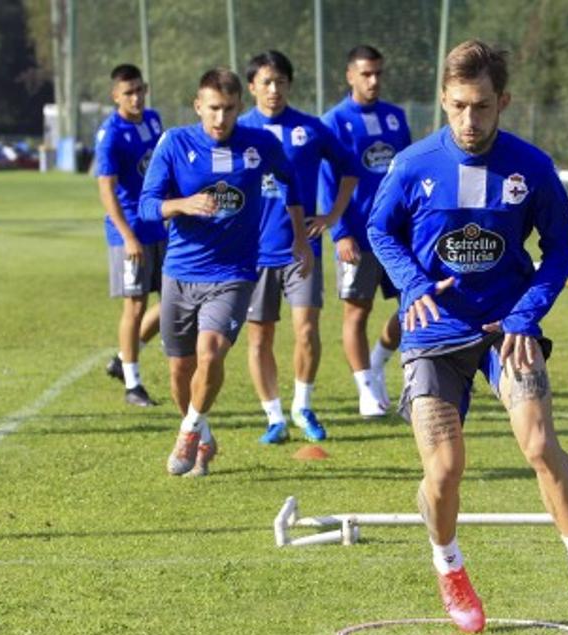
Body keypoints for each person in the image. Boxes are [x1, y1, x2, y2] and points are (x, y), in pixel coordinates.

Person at [368, 40, 568, 635]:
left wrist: (527, 314)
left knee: (537, 444)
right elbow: (380, 228)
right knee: (446, 468)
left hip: (507, 325)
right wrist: (412, 283)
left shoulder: (530, 166)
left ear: (502, 101)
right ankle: (448, 565)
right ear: (443, 100)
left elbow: (562, 248)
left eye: (481, 106)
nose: (469, 121)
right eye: (457, 106)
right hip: (435, 331)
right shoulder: (413, 164)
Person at [139, 68, 313, 477]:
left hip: (234, 272)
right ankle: (201, 432)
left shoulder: (260, 143)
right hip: (180, 272)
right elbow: (148, 205)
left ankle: (187, 430)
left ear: (240, 107)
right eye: (213, 109)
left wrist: (300, 238)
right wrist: (181, 205)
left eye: (229, 109)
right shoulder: (176, 143)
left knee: (212, 353)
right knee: (180, 371)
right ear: (198, 106)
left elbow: (291, 181)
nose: (221, 119)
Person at [239, 50, 357, 444]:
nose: (274, 90)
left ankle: (302, 405)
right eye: (266, 82)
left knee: (306, 330)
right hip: (253, 253)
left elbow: (350, 170)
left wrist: (331, 216)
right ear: (252, 86)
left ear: (289, 85)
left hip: (301, 250)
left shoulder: (311, 128)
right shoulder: (238, 131)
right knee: (260, 338)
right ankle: (273, 417)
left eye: (281, 82)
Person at [321, 45, 411, 418]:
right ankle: (366, 390)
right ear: (350, 76)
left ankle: (377, 363)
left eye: (378, 73)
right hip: (357, 235)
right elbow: (327, 182)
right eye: (365, 74)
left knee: (414, 308)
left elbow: (409, 173)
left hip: (399, 234)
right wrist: (340, 232)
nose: (373, 81)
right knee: (356, 313)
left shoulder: (395, 117)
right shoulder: (333, 122)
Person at [95, 63, 166, 407]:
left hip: (159, 227)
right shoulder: (111, 133)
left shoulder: (153, 120)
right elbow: (106, 190)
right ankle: (133, 385)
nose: (136, 98)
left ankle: (122, 361)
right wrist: (127, 236)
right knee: (135, 305)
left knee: (174, 300)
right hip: (132, 233)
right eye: (128, 92)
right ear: (115, 96)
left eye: (140, 89)